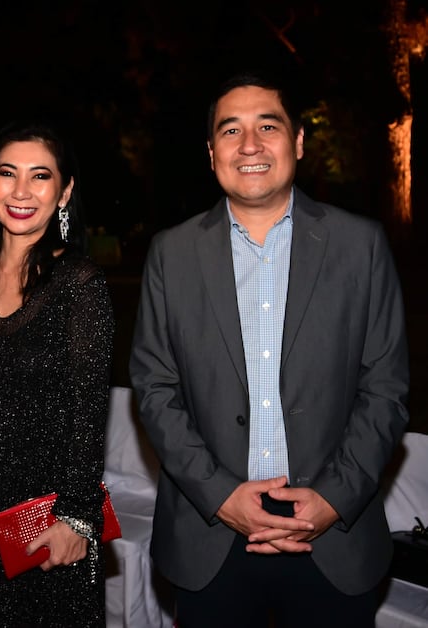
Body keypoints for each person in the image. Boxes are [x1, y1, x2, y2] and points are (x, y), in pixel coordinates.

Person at [129, 70, 410, 628]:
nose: (250, 145)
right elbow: (155, 389)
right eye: (231, 131)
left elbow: (387, 389)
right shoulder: (171, 253)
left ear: (298, 142)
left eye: (268, 126)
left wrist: (333, 498)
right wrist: (220, 496)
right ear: (211, 153)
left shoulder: (361, 246)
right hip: (212, 538)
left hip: (334, 540)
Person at [0, 120, 115, 627]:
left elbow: (89, 414)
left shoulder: (80, 285)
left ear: (64, 192)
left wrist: (75, 519)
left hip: (45, 529)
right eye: (7, 173)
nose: (21, 191)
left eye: (40, 176)